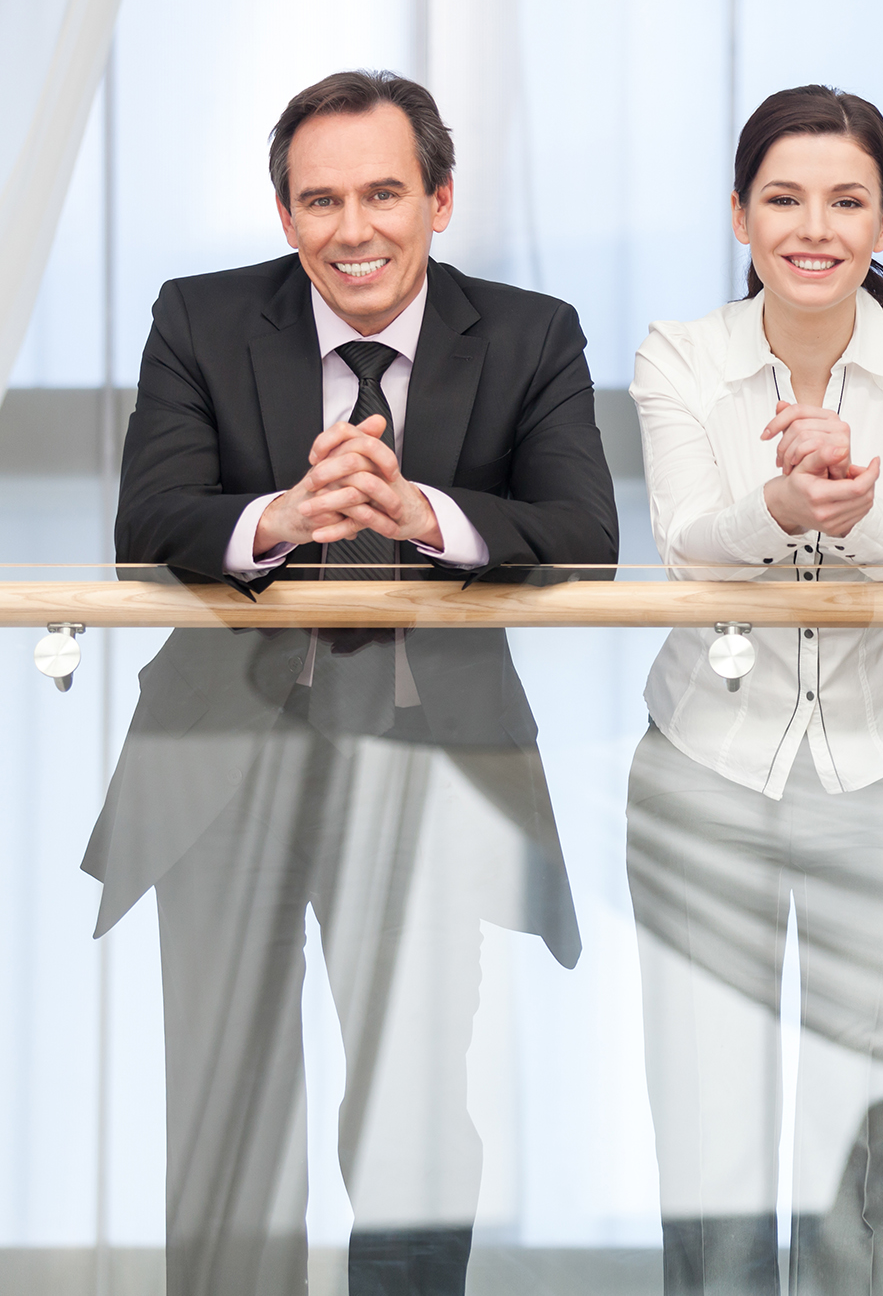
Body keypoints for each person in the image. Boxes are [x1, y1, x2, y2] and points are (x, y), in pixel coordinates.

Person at [84, 70, 618, 1296]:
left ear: (438, 199)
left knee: (418, 1122)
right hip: (221, 768)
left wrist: (418, 511)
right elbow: (149, 520)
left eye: (384, 192)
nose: (353, 227)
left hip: (432, 777)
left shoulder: (532, 332)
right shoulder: (201, 319)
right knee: (225, 1117)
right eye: (320, 200)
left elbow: (581, 530)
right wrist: (282, 516)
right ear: (284, 217)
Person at [624, 84, 883, 1296]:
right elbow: (686, 544)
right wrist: (782, 506)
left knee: (868, 1116)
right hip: (703, 764)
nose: (813, 227)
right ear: (739, 215)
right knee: (705, 1106)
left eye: (846, 200)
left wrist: (847, 496)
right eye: (782, 198)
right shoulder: (677, 353)